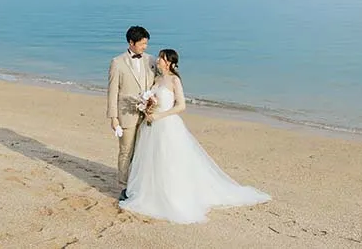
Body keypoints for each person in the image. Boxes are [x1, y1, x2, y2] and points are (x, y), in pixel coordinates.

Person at [119, 49, 270, 223]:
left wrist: (159, 115)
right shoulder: (157, 79)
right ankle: (150, 191)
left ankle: (171, 193)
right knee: (151, 160)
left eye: (161, 58)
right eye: (159, 57)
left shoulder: (174, 80)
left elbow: (181, 106)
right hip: (151, 124)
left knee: (169, 160)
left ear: (168, 62)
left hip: (166, 124)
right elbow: (152, 99)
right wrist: (147, 108)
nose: (158, 60)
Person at [106, 25, 156, 201]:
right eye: (142, 44)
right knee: (126, 151)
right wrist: (114, 118)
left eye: (146, 43)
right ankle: (125, 187)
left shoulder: (151, 60)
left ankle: (139, 184)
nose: (145, 47)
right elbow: (112, 92)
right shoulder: (117, 62)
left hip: (147, 115)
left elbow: (157, 83)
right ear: (131, 42)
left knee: (143, 151)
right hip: (126, 115)